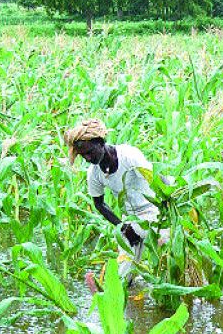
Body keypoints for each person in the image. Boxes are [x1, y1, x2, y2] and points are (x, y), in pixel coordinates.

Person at [64, 118, 161, 286]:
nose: (87, 158)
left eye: (89, 152)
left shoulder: (129, 156)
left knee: (165, 254)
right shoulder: (94, 173)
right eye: (83, 155)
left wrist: (169, 206)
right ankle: (119, 300)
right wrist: (123, 228)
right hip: (131, 218)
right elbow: (99, 204)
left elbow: (155, 181)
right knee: (124, 271)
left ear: (100, 142)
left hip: (153, 210)